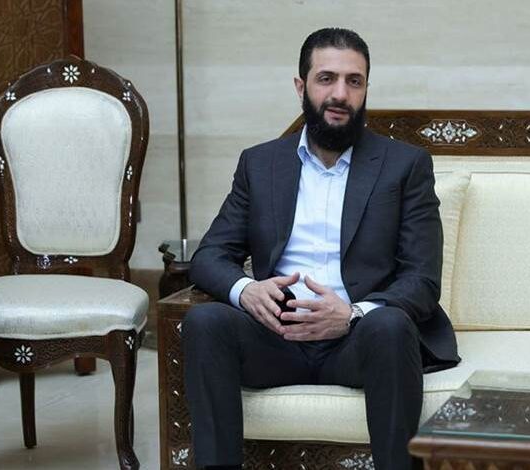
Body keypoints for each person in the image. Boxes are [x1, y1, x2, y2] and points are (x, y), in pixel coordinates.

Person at [182, 27, 459, 470]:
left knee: (390, 326)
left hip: (358, 340)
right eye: (326, 78)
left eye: (354, 81)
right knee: (204, 322)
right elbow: (210, 255)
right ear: (301, 86)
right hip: (276, 337)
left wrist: (351, 314)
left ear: (366, 89)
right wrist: (247, 291)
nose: (340, 94)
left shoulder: (405, 166)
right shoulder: (260, 163)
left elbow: (422, 280)